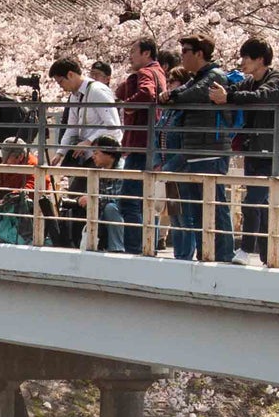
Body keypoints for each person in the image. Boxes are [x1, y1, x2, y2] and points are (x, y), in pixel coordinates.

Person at [210, 36, 279, 266]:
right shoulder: (249, 81)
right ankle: (269, 255)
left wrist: (229, 97)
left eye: (247, 57)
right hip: (254, 148)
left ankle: (245, 250)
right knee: (261, 203)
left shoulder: (277, 80)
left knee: (252, 201)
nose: (242, 61)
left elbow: (262, 97)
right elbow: (235, 90)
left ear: (260, 59)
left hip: (272, 150)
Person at [162, 34, 235, 262]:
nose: (181, 56)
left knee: (215, 204)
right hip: (195, 150)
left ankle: (223, 253)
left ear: (199, 53)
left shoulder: (214, 76)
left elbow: (193, 94)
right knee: (199, 207)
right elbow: (187, 92)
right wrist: (175, 95)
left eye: (185, 51)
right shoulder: (197, 77)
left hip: (210, 150)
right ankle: (207, 251)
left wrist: (172, 94)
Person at [112, 39, 169, 255]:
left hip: (138, 141)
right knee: (144, 200)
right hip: (151, 141)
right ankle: (148, 244)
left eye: (134, 52)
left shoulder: (145, 72)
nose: (130, 56)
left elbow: (146, 93)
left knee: (129, 200)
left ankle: (134, 247)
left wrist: (128, 106)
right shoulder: (159, 72)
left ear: (146, 53)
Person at [51, 57, 122, 159]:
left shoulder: (97, 90)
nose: (60, 86)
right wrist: (60, 152)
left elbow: (112, 126)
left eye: (61, 81)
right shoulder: (74, 96)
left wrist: (89, 141)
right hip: (87, 154)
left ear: (70, 75)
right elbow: (72, 127)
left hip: (105, 154)